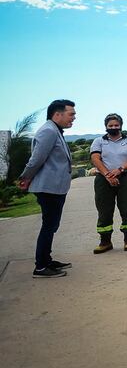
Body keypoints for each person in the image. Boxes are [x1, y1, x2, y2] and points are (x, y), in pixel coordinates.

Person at [19, 99, 76, 278]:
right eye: (71, 114)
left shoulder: (55, 130)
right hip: (48, 188)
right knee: (49, 225)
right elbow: (36, 159)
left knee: (51, 225)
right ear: (57, 114)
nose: (74, 118)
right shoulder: (48, 131)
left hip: (55, 188)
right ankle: (41, 267)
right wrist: (25, 177)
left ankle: (47, 260)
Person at [89, 114, 127, 253]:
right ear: (105, 126)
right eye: (110, 126)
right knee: (104, 209)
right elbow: (95, 158)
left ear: (121, 125)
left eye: (116, 125)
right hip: (103, 179)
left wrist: (120, 170)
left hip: (126, 177)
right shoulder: (98, 141)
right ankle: (105, 242)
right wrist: (107, 174)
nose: (113, 128)